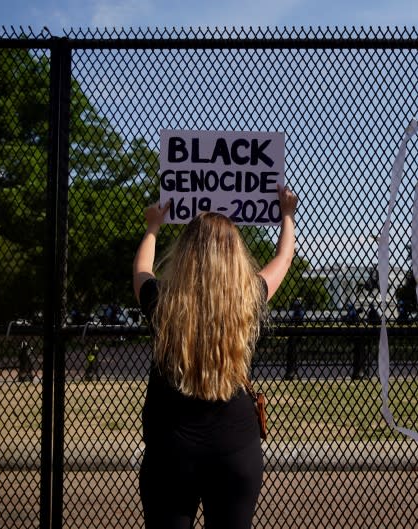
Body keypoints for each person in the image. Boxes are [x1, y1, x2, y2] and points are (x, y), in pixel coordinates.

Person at [132, 184, 298, 529]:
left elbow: (142, 271)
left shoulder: (162, 302)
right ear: (235, 254)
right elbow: (283, 259)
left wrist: (152, 226)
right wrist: (287, 216)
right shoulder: (248, 300)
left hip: (169, 452)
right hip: (235, 450)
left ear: (185, 253)